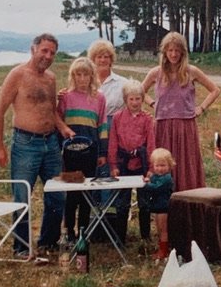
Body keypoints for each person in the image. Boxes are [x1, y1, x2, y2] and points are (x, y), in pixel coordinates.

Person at [0, 33, 69, 255]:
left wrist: (62, 127)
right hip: (25, 144)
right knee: (22, 196)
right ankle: (21, 247)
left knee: (57, 194)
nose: (48, 56)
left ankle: (48, 242)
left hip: (51, 144)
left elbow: (51, 111)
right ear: (33, 49)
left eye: (52, 52)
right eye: (44, 50)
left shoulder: (51, 78)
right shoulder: (17, 75)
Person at [142, 31, 221, 192]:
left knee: (186, 166)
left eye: (177, 50)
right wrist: (152, 103)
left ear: (182, 52)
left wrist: (201, 108)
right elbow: (139, 91)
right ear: (165, 52)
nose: (173, 54)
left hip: (185, 127)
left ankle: (188, 204)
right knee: (162, 166)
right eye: (170, 50)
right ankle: (163, 205)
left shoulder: (191, 71)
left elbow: (215, 90)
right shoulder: (156, 72)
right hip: (162, 127)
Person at [56, 57, 107, 245]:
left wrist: (103, 153)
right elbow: (58, 120)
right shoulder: (66, 96)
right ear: (73, 76)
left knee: (87, 193)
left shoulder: (99, 97)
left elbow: (102, 125)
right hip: (70, 153)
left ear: (92, 76)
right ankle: (69, 232)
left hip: (91, 152)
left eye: (86, 74)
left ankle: (83, 232)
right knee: (72, 193)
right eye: (78, 74)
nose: (82, 78)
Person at [108, 80, 156, 244]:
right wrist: (113, 165)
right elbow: (113, 142)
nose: (135, 103)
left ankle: (145, 237)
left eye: (138, 99)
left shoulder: (147, 119)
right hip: (123, 164)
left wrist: (151, 167)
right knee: (122, 203)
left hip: (141, 163)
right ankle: (120, 238)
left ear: (142, 99)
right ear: (125, 100)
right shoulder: (117, 118)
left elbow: (151, 144)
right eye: (131, 99)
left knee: (144, 203)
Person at [142, 147, 176, 260]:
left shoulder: (166, 178)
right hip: (157, 206)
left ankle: (164, 251)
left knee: (163, 229)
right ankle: (161, 247)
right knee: (158, 228)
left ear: (169, 165)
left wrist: (146, 185)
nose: (160, 168)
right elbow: (153, 180)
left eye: (163, 165)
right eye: (157, 166)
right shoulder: (157, 176)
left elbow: (156, 188)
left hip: (163, 207)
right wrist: (149, 179)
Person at [88, 39, 126, 117]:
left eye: (106, 57)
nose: (103, 60)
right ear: (93, 60)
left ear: (111, 60)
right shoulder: (86, 82)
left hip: (114, 125)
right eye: (99, 57)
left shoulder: (123, 83)